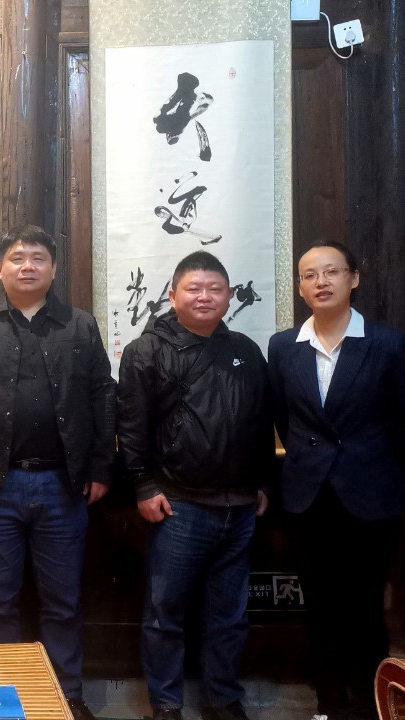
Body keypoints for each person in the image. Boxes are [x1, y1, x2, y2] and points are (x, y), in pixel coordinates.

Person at [0, 225, 116, 720]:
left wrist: (100, 465)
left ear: (54, 267)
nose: (28, 265)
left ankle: (66, 695)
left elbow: (103, 396)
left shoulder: (80, 325)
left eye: (38, 257)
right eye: (17, 257)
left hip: (63, 484)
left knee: (62, 600)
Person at [268, 241, 405, 720]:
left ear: (353, 278)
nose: (321, 282)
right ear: (300, 287)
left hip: (370, 494)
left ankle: (370, 704)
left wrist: (370, 463)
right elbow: (282, 416)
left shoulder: (387, 344)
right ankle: (329, 704)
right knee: (319, 605)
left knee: (366, 605)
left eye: (332, 271)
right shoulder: (283, 346)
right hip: (308, 496)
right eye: (310, 275)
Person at [117, 251, 274, 720]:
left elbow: (260, 420)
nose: (205, 297)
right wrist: (143, 486)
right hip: (178, 504)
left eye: (215, 289)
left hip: (240, 506)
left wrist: (262, 482)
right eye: (194, 288)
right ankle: (166, 703)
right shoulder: (147, 350)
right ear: (172, 295)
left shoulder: (245, 349)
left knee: (230, 614)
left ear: (229, 295)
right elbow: (130, 426)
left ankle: (223, 698)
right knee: (165, 612)